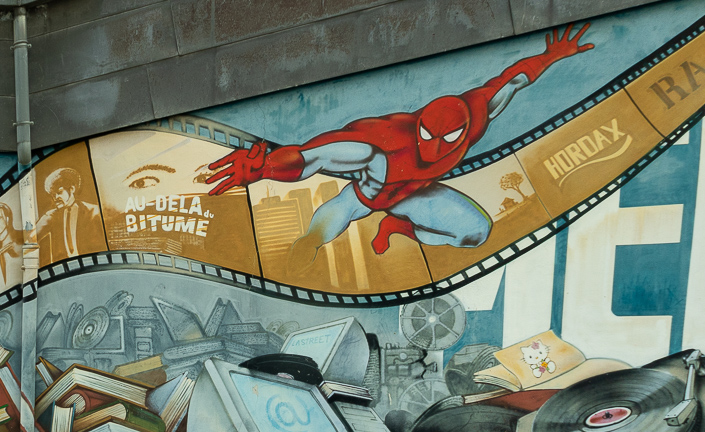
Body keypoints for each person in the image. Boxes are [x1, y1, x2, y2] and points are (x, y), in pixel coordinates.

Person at [206, 23, 595, 274]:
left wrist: (550, 56)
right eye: (428, 136)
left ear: (464, 131)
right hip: (365, 194)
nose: (435, 149)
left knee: (476, 232)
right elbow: (314, 156)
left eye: (447, 140)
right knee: (318, 234)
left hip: (415, 195)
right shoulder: (382, 143)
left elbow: (513, 80)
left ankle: (398, 226)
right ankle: (317, 241)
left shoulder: (477, 113)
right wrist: (265, 169)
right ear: (419, 125)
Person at [33, 167, 103, 260]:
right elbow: (31, 238)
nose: (56, 198)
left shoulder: (94, 211)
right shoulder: (52, 216)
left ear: (72, 189)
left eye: (59, 192)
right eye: (53, 195)